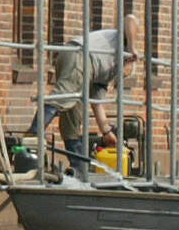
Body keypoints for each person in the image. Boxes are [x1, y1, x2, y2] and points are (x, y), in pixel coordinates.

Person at [40, 19, 138, 166]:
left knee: (72, 117)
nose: (121, 78)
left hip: (76, 61)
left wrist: (107, 132)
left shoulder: (107, 75)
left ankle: (78, 167)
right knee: (65, 94)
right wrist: (131, 49)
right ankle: (34, 132)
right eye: (124, 74)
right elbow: (130, 19)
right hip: (79, 53)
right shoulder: (122, 42)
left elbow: (97, 104)